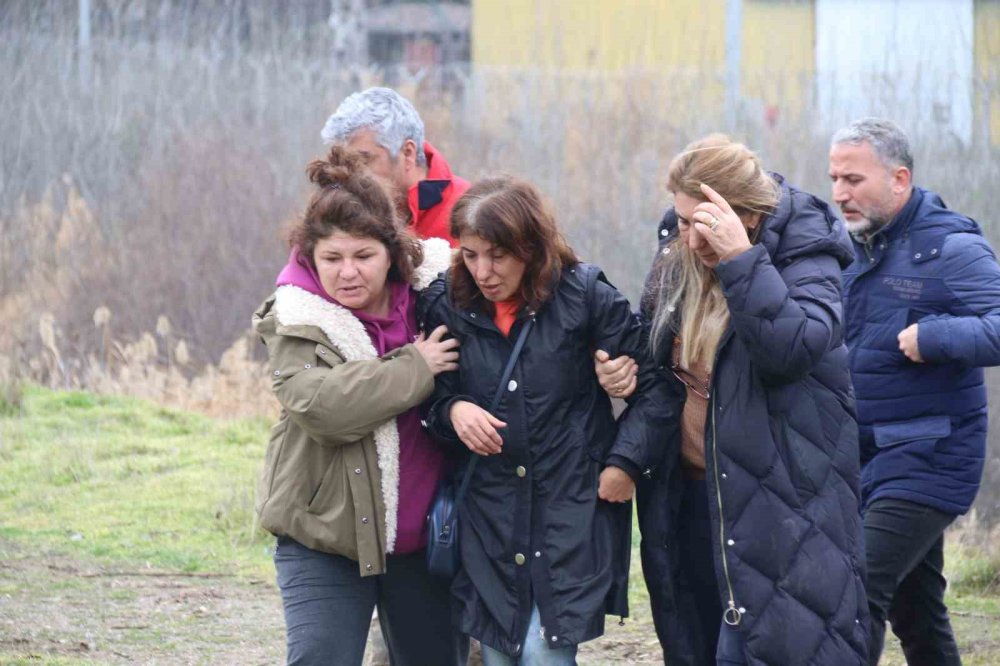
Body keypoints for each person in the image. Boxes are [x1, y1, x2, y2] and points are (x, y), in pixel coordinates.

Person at [597, 134, 869, 665]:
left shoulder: (805, 248)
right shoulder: (677, 251)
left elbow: (793, 346)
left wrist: (739, 259)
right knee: (696, 643)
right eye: (680, 221)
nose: (688, 239)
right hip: (690, 496)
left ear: (743, 214)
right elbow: (656, 360)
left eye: (702, 225)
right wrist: (618, 373)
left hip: (780, 504)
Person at [419, 176, 674, 665]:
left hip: (571, 506)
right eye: (470, 255)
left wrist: (625, 463)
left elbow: (658, 388)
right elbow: (429, 400)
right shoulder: (445, 301)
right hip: (488, 511)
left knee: (542, 652)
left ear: (531, 246)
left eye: (498, 255)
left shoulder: (586, 297)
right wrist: (453, 411)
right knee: (497, 654)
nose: (483, 271)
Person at [252, 145, 465, 666]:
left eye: (363, 256)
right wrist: (416, 366)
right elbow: (323, 406)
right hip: (324, 538)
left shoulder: (437, 293)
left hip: (425, 542)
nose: (348, 272)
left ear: (392, 251)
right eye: (332, 258)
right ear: (310, 256)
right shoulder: (296, 316)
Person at [829, 117, 1000, 665]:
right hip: (865, 458)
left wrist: (939, 335)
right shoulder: (851, 250)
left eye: (854, 179)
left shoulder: (951, 247)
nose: (840, 194)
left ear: (900, 179)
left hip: (930, 454)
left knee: (855, 595)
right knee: (917, 613)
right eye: (834, 179)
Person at [321, 86, 469, 245]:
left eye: (364, 160)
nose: (351, 173)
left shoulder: (468, 209)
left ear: (408, 153)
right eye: (344, 161)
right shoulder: (340, 207)